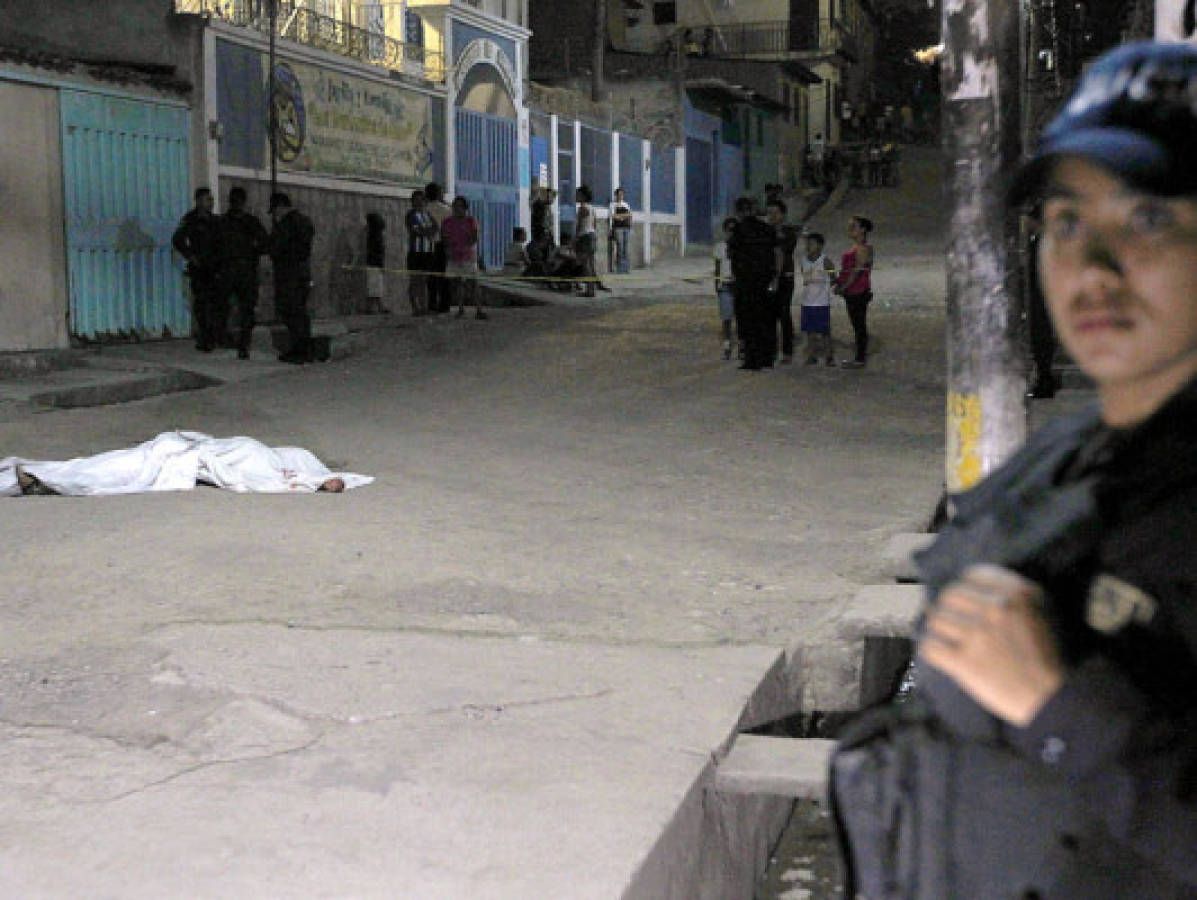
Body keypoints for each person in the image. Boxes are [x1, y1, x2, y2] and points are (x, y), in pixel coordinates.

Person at [832, 41, 1197, 899]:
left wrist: (1059, 706)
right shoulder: (1064, 459)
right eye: (1067, 222)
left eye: (1145, 219)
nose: (1092, 269)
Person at [3, 431, 372, 496]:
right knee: (111, 469)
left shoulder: (278, 462)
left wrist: (319, 483)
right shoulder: (275, 461)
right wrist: (320, 483)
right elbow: (297, 480)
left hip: (181, 453)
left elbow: (304, 480)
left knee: (110, 469)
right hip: (180, 452)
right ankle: (39, 476)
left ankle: (38, 476)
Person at [215, 186, 268, 359]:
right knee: (242, 310)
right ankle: (240, 343)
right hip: (240, 271)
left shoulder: (226, 222)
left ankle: (236, 342)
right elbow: (264, 244)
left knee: (232, 308)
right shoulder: (248, 222)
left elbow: (263, 244)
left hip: (235, 271)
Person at [727, 196, 777, 371]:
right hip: (764, 281)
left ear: (739, 212)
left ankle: (752, 359)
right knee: (765, 319)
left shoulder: (738, 230)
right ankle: (767, 358)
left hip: (746, 282)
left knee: (748, 321)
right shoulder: (766, 228)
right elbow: (774, 251)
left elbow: (732, 254)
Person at [268, 192, 316, 364]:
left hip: (288, 274)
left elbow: (275, 248)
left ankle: (299, 350)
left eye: (275, 211)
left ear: (280, 207)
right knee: (301, 312)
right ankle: (306, 349)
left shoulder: (285, 225)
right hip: (303, 273)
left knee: (290, 311)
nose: (275, 215)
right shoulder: (305, 221)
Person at [172, 187, 221, 352]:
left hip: (215, 267)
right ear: (199, 201)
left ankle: (215, 336)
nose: (212, 203)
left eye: (212, 199)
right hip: (199, 268)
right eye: (208, 199)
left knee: (216, 303)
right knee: (201, 303)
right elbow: (177, 239)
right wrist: (190, 256)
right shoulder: (190, 219)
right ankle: (205, 338)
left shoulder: (215, 220)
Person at [833, 214, 874, 368]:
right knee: (858, 324)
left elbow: (855, 273)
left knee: (859, 325)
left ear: (862, 229)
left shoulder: (863, 248)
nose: (850, 229)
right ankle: (859, 357)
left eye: (854, 226)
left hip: (857, 291)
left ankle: (860, 358)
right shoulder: (858, 247)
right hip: (854, 291)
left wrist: (842, 287)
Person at [441, 196, 486, 320]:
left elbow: (475, 237)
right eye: (455, 206)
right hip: (454, 256)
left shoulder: (471, 221)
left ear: (465, 208)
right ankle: (461, 308)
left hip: (468, 256)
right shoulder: (447, 222)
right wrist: (449, 249)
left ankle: (479, 309)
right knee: (457, 283)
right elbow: (445, 237)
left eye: (460, 207)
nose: (457, 209)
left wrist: (466, 247)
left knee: (474, 283)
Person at [766, 198, 800, 364]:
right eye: (769, 213)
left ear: (783, 214)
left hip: (785, 277)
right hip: (768, 278)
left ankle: (787, 351)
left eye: (775, 213)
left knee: (784, 313)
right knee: (770, 315)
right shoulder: (765, 231)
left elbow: (784, 250)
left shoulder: (789, 232)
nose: (771, 216)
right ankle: (771, 350)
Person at [797, 231, 836, 365]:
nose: (808, 246)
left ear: (820, 246)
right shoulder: (804, 261)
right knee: (809, 331)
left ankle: (829, 356)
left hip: (821, 301)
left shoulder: (826, 261)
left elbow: (833, 277)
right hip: (807, 301)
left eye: (812, 243)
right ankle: (812, 355)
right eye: (807, 243)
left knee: (824, 331)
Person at [404, 189, 436, 317]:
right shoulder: (411, 215)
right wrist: (428, 232)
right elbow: (416, 230)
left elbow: (435, 227)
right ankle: (415, 306)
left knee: (424, 279)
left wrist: (428, 232)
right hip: (415, 252)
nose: (419, 203)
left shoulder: (428, 214)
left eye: (422, 200)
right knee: (415, 280)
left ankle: (424, 306)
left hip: (428, 251)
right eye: (416, 200)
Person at [424, 182, 452, 313]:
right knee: (444, 276)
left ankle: (431, 303)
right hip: (442, 244)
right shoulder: (446, 209)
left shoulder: (424, 209)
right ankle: (444, 304)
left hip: (427, 244)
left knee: (431, 276)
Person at [713, 217, 738, 360]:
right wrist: (717, 285)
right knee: (727, 318)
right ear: (725, 231)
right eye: (729, 230)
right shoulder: (719, 247)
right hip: (726, 286)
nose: (731, 233)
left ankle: (742, 346)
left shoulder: (742, 246)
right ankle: (727, 345)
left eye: (734, 230)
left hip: (739, 285)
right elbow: (717, 268)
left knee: (741, 317)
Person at [573, 185, 600, 297]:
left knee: (586, 265)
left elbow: (579, 225)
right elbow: (594, 223)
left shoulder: (582, 208)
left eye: (578, 194)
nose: (576, 196)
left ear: (583, 196)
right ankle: (592, 288)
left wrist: (575, 238)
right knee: (591, 264)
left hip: (584, 237)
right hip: (592, 235)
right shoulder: (592, 208)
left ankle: (589, 290)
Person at [364, 212, 389, 315]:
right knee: (375, 286)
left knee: (374, 285)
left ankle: (375, 306)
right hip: (375, 263)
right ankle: (374, 307)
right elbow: (379, 251)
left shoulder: (372, 235)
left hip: (372, 262)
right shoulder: (376, 236)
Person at [609, 187, 633, 274]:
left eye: (622, 194)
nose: (620, 196)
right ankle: (619, 267)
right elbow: (613, 216)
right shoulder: (612, 205)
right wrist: (623, 216)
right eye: (619, 194)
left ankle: (625, 268)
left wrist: (621, 217)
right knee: (620, 247)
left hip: (626, 227)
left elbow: (630, 215)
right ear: (616, 195)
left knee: (625, 248)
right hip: (617, 228)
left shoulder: (626, 205)